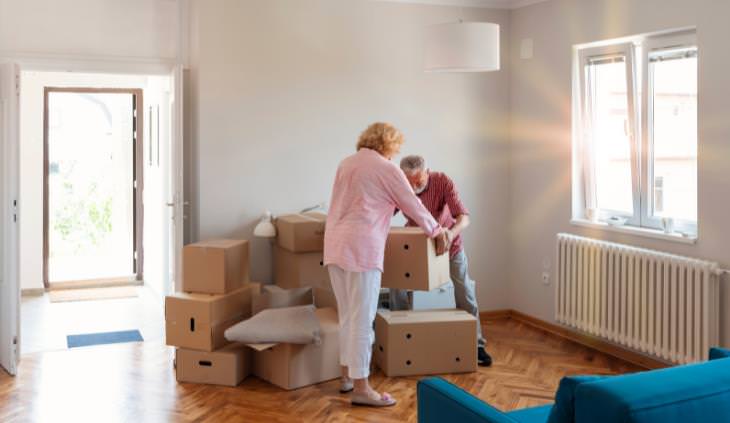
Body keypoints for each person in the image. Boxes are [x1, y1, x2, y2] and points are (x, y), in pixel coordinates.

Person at [324, 123, 449, 407]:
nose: (395, 155)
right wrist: (436, 230)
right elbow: (412, 205)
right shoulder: (386, 168)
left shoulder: (346, 163)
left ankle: (345, 377)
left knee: (347, 315)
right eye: (395, 149)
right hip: (361, 248)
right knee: (363, 320)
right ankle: (362, 388)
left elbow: (336, 205)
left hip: (335, 245)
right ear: (389, 145)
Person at [389, 155, 492, 367]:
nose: (414, 186)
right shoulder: (401, 186)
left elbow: (464, 217)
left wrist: (450, 234)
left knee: (465, 291)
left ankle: (476, 344)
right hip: (416, 247)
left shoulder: (442, 181)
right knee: (397, 287)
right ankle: (401, 337)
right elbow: (387, 212)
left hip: (449, 245)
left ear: (428, 172)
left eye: (418, 181)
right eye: (409, 182)